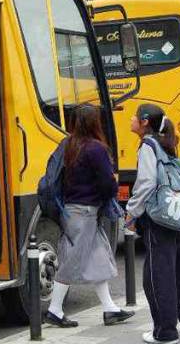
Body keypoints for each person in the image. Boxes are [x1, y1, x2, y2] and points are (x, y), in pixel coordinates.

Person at [45, 104, 134, 328]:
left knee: (98, 258)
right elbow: (107, 182)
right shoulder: (95, 148)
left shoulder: (68, 145)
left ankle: (110, 309)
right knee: (71, 261)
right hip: (85, 212)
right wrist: (111, 195)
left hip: (72, 209)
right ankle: (54, 310)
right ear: (95, 123)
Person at [125, 103, 180, 344]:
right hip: (174, 214)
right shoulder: (164, 143)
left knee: (157, 276)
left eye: (135, 117)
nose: (131, 120)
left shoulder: (147, 145)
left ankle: (165, 332)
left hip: (158, 218)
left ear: (145, 121)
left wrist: (131, 211)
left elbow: (147, 182)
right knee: (178, 269)